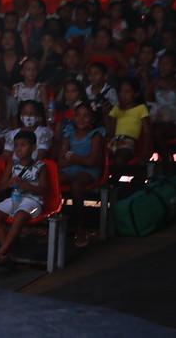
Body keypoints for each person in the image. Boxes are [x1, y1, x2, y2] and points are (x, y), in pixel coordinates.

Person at [0, 130, 47, 270]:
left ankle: (1, 252)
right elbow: (0, 188)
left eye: (23, 145)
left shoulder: (40, 166)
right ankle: (10, 255)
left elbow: (44, 190)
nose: (18, 149)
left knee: (20, 215)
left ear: (33, 148)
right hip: (14, 198)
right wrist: (9, 183)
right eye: (16, 145)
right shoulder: (11, 165)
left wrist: (26, 185)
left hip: (33, 201)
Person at [57, 102, 104, 247]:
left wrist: (73, 157)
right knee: (54, 179)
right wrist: (75, 159)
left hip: (89, 171)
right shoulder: (69, 132)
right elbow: (61, 161)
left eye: (86, 116)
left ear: (92, 119)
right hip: (71, 168)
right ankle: (52, 223)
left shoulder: (95, 135)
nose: (81, 119)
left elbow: (91, 162)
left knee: (76, 184)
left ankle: (80, 227)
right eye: (78, 115)